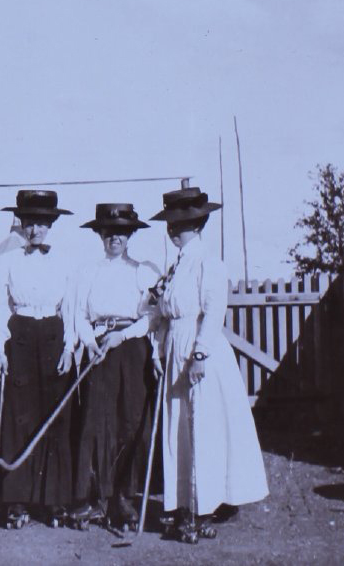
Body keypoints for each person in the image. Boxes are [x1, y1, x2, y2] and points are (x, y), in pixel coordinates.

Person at [150, 187, 268, 542]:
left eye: (181, 225)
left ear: (197, 224)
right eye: (171, 224)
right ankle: (182, 504)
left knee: (202, 427)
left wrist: (200, 354)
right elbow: (162, 311)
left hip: (200, 351)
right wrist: (158, 348)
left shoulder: (208, 263)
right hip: (175, 347)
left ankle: (203, 508)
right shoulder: (177, 265)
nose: (174, 231)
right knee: (178, 429)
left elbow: (214, 310)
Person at [68, 204, 161, 531]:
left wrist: (123, 335)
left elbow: (153, 316)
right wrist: (90, 341)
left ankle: (125, 496)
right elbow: (78, 313)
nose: (115, 238)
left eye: (121, 231)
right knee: (97, 422)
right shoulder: (87, 272)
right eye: (108, 232)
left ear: (130, 234)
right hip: (99, 350)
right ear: (100, 235)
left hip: (132, 348)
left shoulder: (144, 271)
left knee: (131, 421)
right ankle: (96, 498)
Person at [0, 190, 76, 529]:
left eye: (41, 222)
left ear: (51, 223)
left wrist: (69, 347)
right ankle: (17, 502)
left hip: (53, 335)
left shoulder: (65, 261)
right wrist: (0, 348)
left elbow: (70, 306)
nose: (35, 228)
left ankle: (53, 501)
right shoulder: (7, 262)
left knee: (53, 418)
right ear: (21, 225)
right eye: (29, 222)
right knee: (19, 417)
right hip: (20, 336)